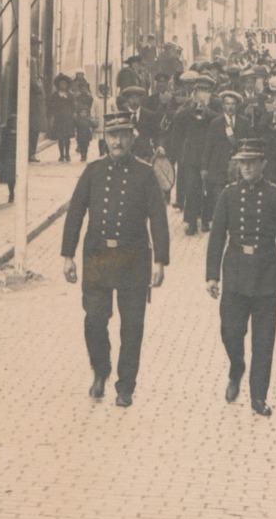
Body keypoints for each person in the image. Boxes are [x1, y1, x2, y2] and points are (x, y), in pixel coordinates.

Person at [61, 111, 171, 408]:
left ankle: (126, 386)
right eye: (112, 135)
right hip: (97, 256)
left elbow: (158, 219)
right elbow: (75, 212)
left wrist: (160, 261)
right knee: (94, 320)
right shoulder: (93, 171)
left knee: (132, 326)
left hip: (134, 258)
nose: (118, 140)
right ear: (105, 138)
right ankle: (100, 370)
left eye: (123, 134)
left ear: (132, 137)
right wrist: (67, 255)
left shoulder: (145, 173)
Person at [205, 139, 276, 417]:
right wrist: (212, 276)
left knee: (264, 341)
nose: (246, 167)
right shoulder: (228, 195)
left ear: (263, 164)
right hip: (236, 273)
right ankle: (236, 367)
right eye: (242, 162)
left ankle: (258, 396)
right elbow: (217, 236)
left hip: (267, 275)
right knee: (230, 332)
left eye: (252, 162)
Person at [168, 75, 218, 236]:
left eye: (206, 91)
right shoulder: (188, 105)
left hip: (209, 154)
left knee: (207, 189)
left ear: (211, 92)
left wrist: (207, 110)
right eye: (200, 90)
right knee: (192, 188)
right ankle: (190, 221)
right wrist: (192, 107)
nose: (203, 94)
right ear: (195, 92)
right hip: (191, 155)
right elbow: (177, 119)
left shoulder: (216, 104)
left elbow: (221, 120)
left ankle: (205, 220)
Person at [200, 87, 248, 211]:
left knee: (236, 199)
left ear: (237, 106)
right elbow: (208, 145)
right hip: (218, 166)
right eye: (227, 104)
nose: (230, 107)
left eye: (233, 104)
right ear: (223, 105)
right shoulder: (215, 123)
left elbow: (250, 143)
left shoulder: (244, 122)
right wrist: (204, 167)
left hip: (238, 168)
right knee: (218, 199)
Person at [47, 73, 76, 162]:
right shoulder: (55, 95)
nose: (63, 85)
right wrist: (52, 115)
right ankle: (61, 155)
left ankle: (67, 154)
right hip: (59, 118)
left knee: (67, 137)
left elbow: (73, 106)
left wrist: (73, 114)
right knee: (60, 137)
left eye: (64, 84)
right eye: (61, 84)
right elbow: (51, 106)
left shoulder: (70, 95)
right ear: (58, 85)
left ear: (67, 85)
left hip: (68, 118)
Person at [72, 77, 96, 161]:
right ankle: (79, 146)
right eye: (81, 88)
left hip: (87, 113)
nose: (83, 89)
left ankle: (84, 152)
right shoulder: (77, 97)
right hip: (79, 114)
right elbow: (75, 105)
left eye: (85, 88)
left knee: (86, 130)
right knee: (79, 130)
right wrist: (76, 112)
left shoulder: (90, 97)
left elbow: (91, 106)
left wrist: (89, 114)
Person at [0, 115, 18, 203]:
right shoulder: (5, 133)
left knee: (15, 177)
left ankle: (13, 192)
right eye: (13, 122)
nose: (15, 124)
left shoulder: (21, 132)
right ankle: (11, 192)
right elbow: (2, 145)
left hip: (16, 157)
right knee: (10, 178)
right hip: (8, 158)